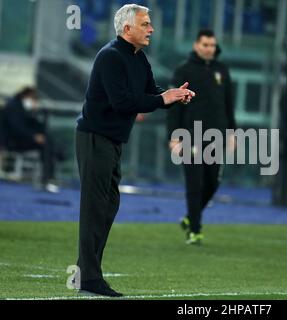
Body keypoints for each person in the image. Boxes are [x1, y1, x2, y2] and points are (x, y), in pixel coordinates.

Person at [75, 4, 195, 297]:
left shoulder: (139, 59)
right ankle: (88, 278)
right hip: (95, 138)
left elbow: (151, 93)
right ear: (127, 29)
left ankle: (87, 273)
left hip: (113, 141)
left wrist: (174, 96)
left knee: (108, 206)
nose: (151, 29)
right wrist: (162, 99)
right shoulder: (110, 57)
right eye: (145, 24)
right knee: (95, 207)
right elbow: (123, 103)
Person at [167, 29, 236, 245]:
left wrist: (232, 133)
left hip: (217, 137)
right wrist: (174, 137)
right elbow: (174, 107)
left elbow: (229, 105)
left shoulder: (222, 70)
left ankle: (190, 218)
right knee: (194, 183)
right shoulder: (184, 70)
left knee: (213, 183)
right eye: (205, 45)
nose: (209, 49)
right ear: (197, 45)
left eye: (212, 45)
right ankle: (195, 230)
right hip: (189, 136)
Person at [2, 87, 62, 192]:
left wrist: (36, 114)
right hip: (13, 141)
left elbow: (35, 126)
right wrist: (34, 136)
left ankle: (49, 176)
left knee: (48, 140)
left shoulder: (23, 108)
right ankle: (48, 179)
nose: (34, 101)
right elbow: (17, 128)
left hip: (23, 139)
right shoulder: (13, 106)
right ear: (25, 96)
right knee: (46, 144)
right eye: (33, 98)